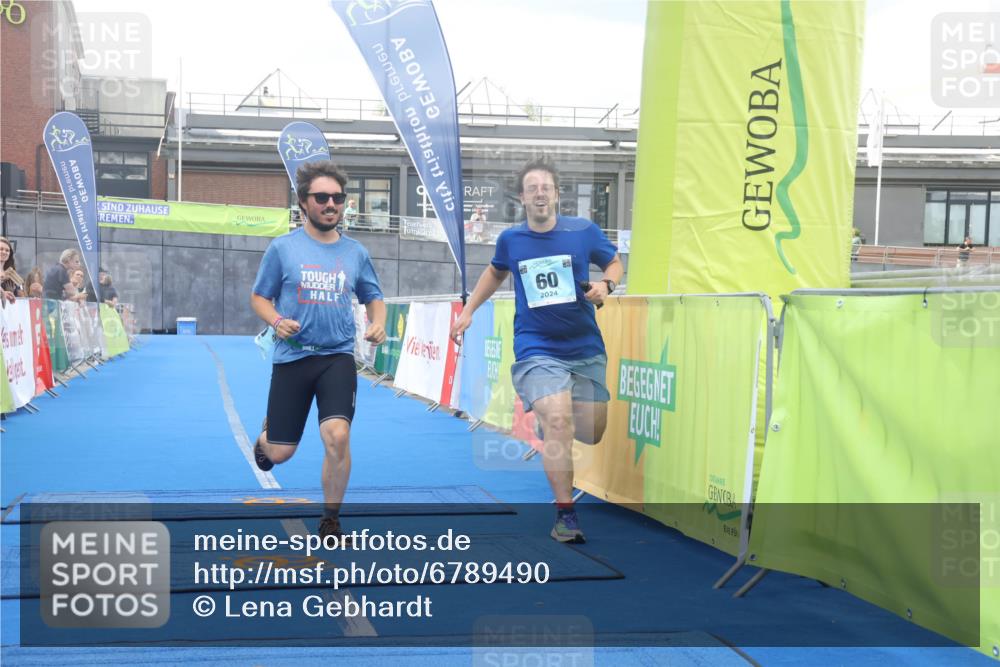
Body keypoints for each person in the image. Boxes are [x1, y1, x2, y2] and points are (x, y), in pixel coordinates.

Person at [450, 156, 624, 544]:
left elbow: (614, 262)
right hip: (536, 346)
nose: (540, 194)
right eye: (532, 189)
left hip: (584, 346)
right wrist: (469, 311)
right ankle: (566, 514)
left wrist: (606, 287)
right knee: (560, 421)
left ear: (557, 195)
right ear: (522, 198)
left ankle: (552, 418)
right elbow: (495, 271)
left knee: (593, 431)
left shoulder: (583, 231)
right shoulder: (512, 239)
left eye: (546, 187)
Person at [250, 160, 387, 542]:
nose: (331, 204)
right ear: (303, 202)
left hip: (337, 356)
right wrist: (277, 321)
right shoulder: (283, 249)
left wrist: (378, 323)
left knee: (338, 436)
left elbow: (374, 298)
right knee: (279, 455)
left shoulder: (356, 252)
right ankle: (266, 436)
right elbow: (259, 297)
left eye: (338, 198)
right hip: (293, 357)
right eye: (322, 197)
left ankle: (331, 518)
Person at [0, 237, 24, 304]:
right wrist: (2, 293)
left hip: (9, 311)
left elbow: (21, 293)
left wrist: (20, 293)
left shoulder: (12, 273)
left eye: (7, 250)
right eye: (1, 249)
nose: (4, 252)